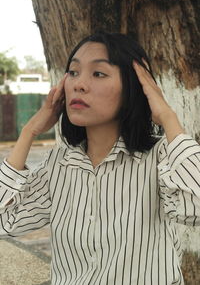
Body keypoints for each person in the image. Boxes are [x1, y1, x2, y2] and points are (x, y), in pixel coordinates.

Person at [0, 32, 200, 285]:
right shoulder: (59, 165)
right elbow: (4, 222)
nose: (78, 84)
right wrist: (29, 132)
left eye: (98, 74)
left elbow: (196, 206)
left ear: (133, 87)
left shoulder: (159, 159)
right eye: (73, 72)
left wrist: (168, 117)